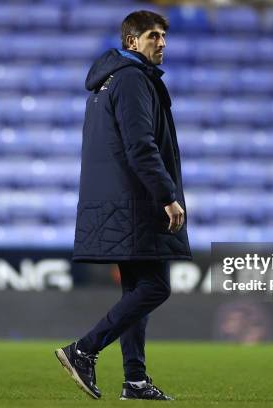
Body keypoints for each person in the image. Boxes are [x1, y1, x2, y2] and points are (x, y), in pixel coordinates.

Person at [55, 10, 191, 401]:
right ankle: (84, 349)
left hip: (119, 201)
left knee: (137, 288)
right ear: (132, 41)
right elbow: (140, 146)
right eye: (153, 36)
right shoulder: (132, 80)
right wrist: (167, 196)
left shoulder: (109, 81)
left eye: (164, 36)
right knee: (155, 287)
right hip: (137, 202)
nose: (161, 43)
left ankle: (135, 380)